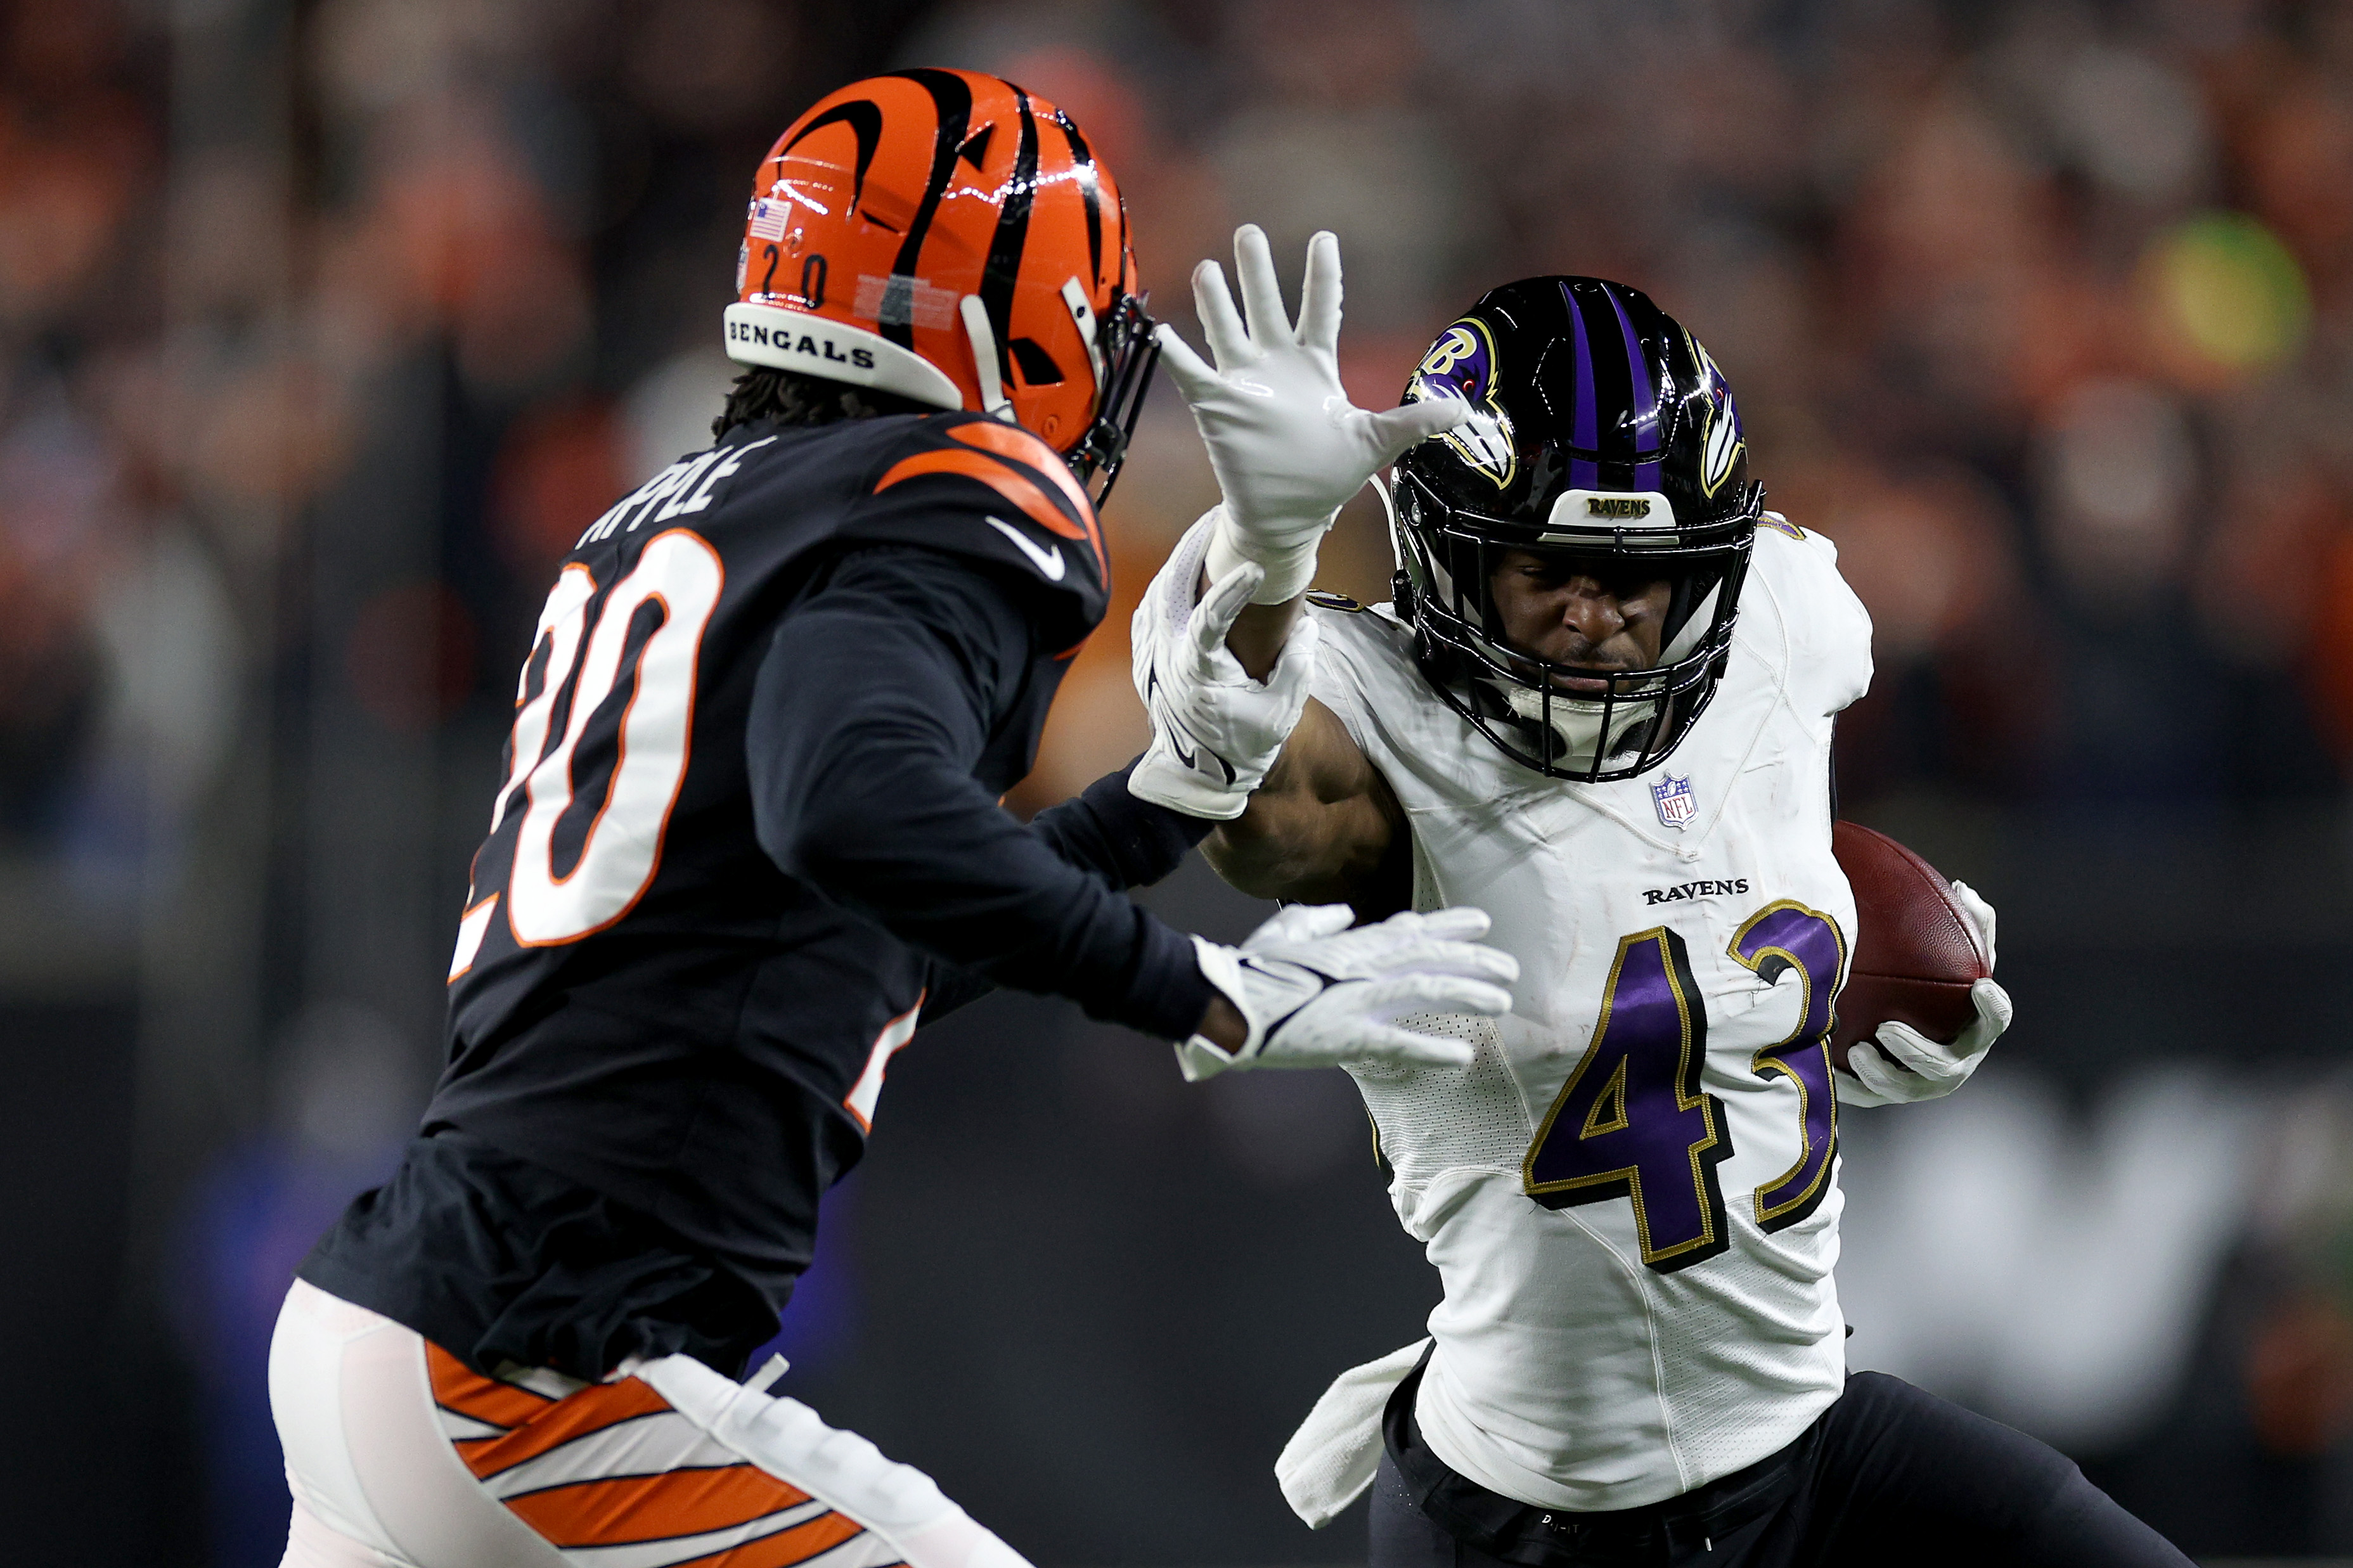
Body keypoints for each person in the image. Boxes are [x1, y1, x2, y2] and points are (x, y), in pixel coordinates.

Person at [266, 73, 1519, 1568]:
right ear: (1003, 320)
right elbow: (850, 807)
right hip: (542, 1377)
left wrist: (1164, 797)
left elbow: (867, 939)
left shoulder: (682, 513)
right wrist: (1208, 988)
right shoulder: (944, 489)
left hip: (398, 1328)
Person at [1129, 231, 2192, 1565]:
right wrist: (1263, 552)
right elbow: (1258, 815)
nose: (1596, 617)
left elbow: (1704, 872)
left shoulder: (1784, 615)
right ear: (1449, 558)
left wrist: (1843, 999)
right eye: (1544, 574)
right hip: (1532, 1509)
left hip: (1808, 1442)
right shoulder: (1372, 710)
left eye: (1634, 575)